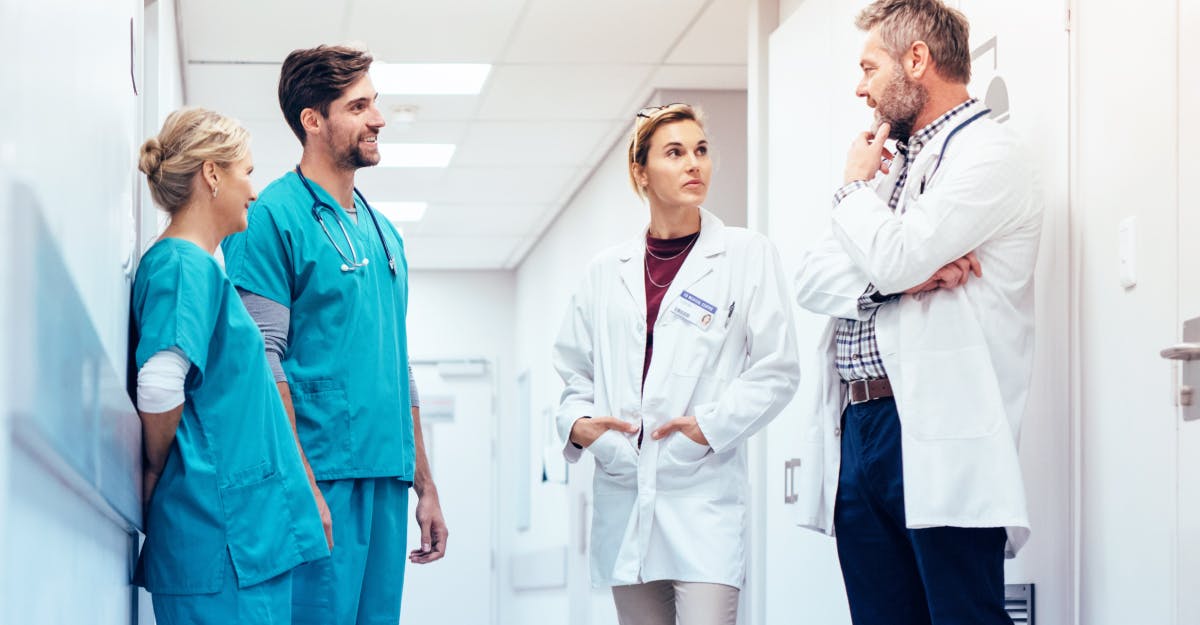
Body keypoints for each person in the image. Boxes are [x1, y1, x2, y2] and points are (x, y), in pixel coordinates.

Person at [792, 1, 1043, 624]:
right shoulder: (892, 168)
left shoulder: (990, 154)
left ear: (916, 60)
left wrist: (853, 193)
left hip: (935, 423)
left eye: (869, 68)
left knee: (963, 613)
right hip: (861, 425)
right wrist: (894, 282)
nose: (861, 87)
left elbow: (897, 255)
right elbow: (811, 277)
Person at [221, 45, 447, 625]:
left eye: (375, 104)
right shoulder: (271, 217)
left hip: (385, 477)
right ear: (313, 120)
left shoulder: (384, 234)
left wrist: (426, 483)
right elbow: (261, 360)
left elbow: (400, 366)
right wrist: (299, 487)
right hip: (320, 478)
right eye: (359, 106)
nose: (378, 119)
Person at [554, 103, 800, 625]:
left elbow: (777, 368)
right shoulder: (606, 271)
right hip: (624, 485)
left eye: (701, 150)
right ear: (641, 172)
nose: (695, 164)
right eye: (675, 152)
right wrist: (579, 427)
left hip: (702, 492)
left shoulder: (744, 255)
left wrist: (707, 429)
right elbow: (575, 371)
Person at [131, 107, 329, 623]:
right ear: (211, 174)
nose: (255, 190)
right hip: (218, 534)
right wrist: (154, 471)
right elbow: (158, 382)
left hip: (238, 537)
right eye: (247, 172)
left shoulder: (200, 267)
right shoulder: (181, 263)